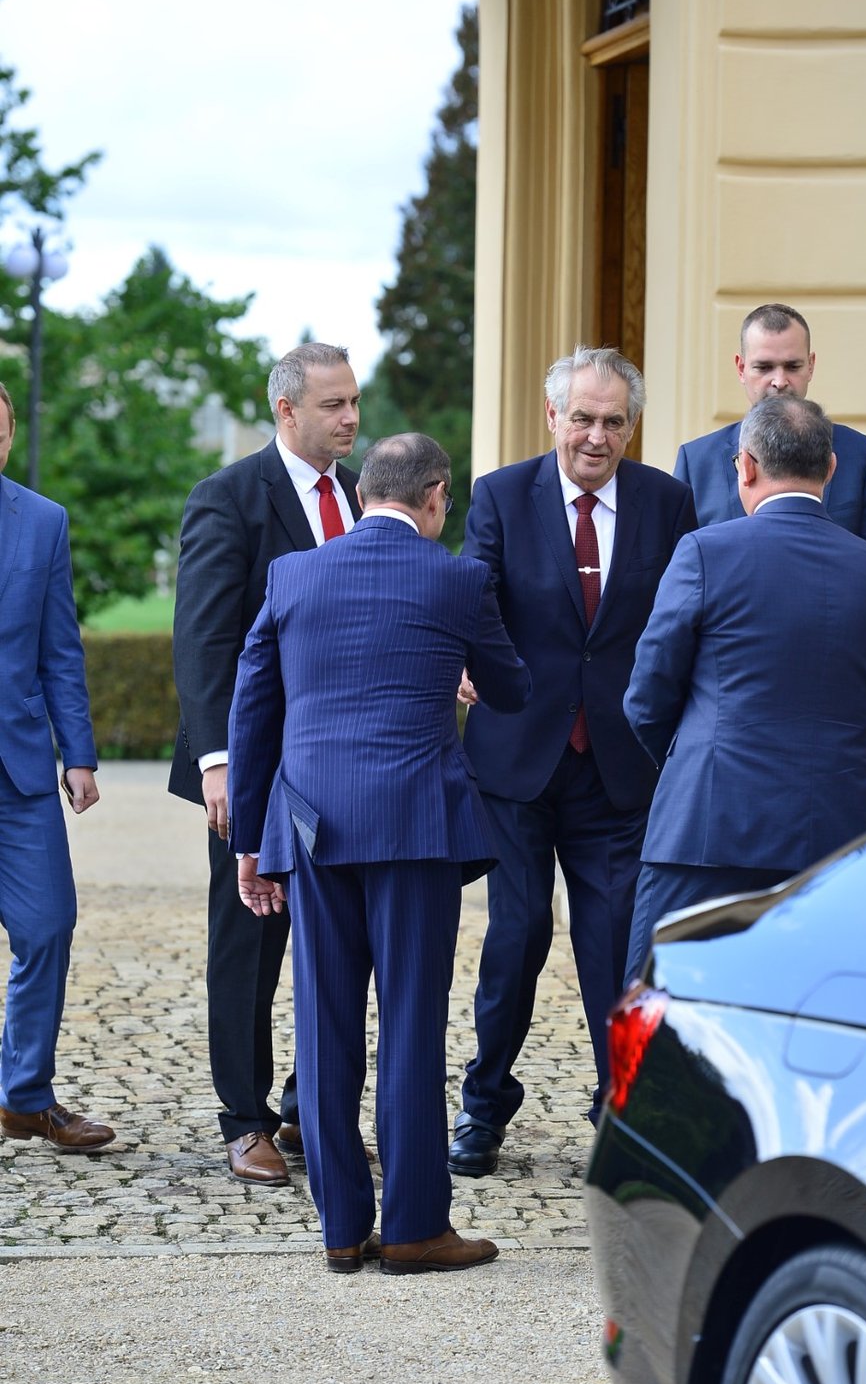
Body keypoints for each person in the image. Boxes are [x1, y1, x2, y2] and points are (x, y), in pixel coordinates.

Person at [227, 433, 530, 1272]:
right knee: (410, 1024)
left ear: (365, 496)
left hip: (316, 828)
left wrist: (252, 845)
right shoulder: (460, 578)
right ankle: (414, 1228)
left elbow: (252, 713)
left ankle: (339, 1230)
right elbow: (511, 688)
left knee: (323, 1026)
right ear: (434, 496)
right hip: (418, 830)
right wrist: (468, 670)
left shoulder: (295, 574)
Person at [447, 344, 698, 1178]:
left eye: (613, 421)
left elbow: (687, 619)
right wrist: (462, 661)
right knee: (517, 936)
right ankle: (484, 1106)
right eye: (582, 418)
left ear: (632, 427)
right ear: (552, 416)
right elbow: (474, 590)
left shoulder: (667, 502)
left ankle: (622, 1108)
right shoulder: (501, 495)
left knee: (619, 947)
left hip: (620, 766)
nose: (596, 436)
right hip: (517, 760)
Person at [623, 393, 866, 979]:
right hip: (833, 833)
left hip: (704, 830)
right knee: (812, 1019)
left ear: (745, 467)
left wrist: (692, 760)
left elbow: (647, 694)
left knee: (669, 1021)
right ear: (830, 469)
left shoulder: (705, 551)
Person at [169, 342, 362, 1185]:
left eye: (355, 402)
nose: (351, 418)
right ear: (287, 410)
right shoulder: (228, 499)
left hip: (346, 760)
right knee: (250, 943)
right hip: (255, 767)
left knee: (339, 944)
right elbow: (203, 641)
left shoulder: (359, 496)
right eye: (333, 405)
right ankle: (243, 1119)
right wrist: (218, 765)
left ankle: (299, 1109)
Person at [673, 301, 866, 766]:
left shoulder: (863, 459)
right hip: (724, 712)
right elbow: (672, 601)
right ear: (741, 368)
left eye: (792, 365)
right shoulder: (696, 463)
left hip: (830, 707)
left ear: (811, 366)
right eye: (764, 366)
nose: (779, 380)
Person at [0, 383, 115, 1153]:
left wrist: (78, 752)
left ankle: (22, 1096)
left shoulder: (43, 522)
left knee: (49, 927)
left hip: (19, 773)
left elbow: (57, 651)